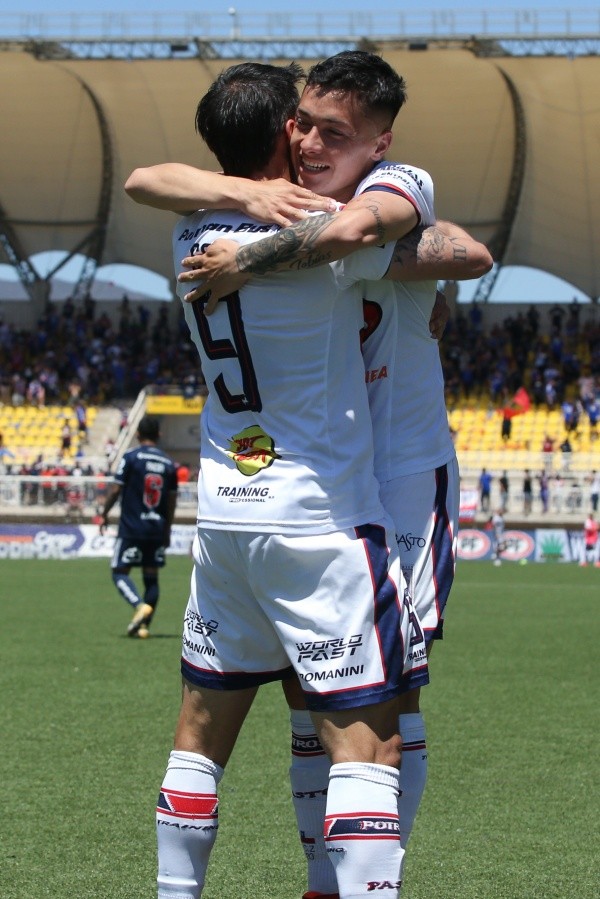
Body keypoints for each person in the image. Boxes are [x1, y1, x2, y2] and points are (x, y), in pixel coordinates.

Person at [127, 51, 492, 899]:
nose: (317, 137)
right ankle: (349, 886)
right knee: (374, 732)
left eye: (336, 128)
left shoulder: (190, 233)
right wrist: (280, 213)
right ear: (285, 133)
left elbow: (148, 178)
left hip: (227, 520)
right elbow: (439, 249)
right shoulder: (334, 233)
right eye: (306, 123)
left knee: (204, 731)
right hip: (324, 514)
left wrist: (245, 219)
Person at [99, 415, 178, 638]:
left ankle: (138, 605)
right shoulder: (168, 463)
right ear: (159, 435)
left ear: (138, 434)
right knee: (151, 577)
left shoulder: (131, 457)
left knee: (119, 572)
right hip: (156, 529)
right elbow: (172, 502)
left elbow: (115, 490)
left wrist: (104, 513)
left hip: (132, 528)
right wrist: (167, 529)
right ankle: (143, 626)